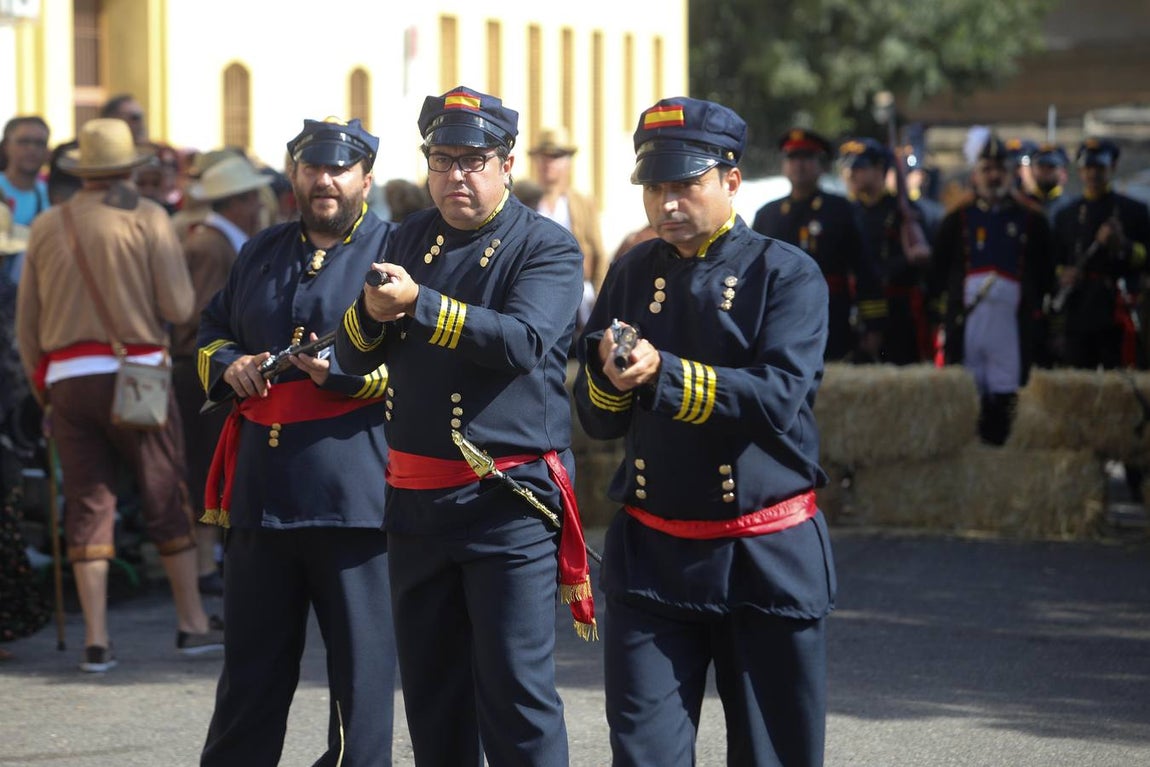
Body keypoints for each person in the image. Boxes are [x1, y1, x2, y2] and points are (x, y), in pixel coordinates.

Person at [574, 97, 836, 766]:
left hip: (762, 556)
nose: (666, 202)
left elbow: (778, 396)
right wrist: (609, 377)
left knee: (773, 754)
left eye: (684, 184)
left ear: (730, 181)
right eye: (655, 186)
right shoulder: (633, 270)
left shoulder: (787, 273)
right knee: (645, 753)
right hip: (655, 555)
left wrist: (661, 376)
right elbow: (599, 415)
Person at [334, 85, 590, 766]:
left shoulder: (547, 247)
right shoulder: (404, 235)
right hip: (417, 501)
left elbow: (524, 341)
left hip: (507, 499)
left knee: (516, 693)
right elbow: (356, 352)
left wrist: (419, 304)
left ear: (507, 164)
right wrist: (367, 314)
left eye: (472, 160)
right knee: (432, 692)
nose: (455, 176)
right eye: (441, 159)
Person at [197, 117, 398, 766]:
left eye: (340, 169)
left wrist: (340, 371)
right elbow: (209, 334)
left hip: (355, 494)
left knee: (360, 683)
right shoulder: (260, 249)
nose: (325, 181)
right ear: (293, 175)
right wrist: (228, 363)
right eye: (312, 168)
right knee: (249, 677)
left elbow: (420, 364)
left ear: (365, 176)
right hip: (262, 491)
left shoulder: (395, 250)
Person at [14, 118, 222, 672]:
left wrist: (45, 391)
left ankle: (97, 641)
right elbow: (179, 308)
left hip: (66, 381)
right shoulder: (149, 218)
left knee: (88, 502)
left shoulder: (46, 225)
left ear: (82, 172)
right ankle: (192, 623)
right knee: (164, 494)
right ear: (129, 168)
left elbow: (26, 327)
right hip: (139, 377)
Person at [170, 155, 271, 596]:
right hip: (201, 369)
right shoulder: (212, 245)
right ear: (240, 202)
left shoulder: (219, 240)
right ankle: (204, 562)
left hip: (208, 366)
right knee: (205, 461)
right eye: (252, 197)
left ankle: (208, 558)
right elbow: (203, 318)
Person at [930, 135, 1054, 445]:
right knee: (969, 391)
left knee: (1008, 393)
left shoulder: (1032, 220)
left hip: (1013, 323)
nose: (993, 175)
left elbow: (1046, 273)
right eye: (987, 168)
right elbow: (937, 273)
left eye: (1000, 168)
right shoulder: (956, 219)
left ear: (1011, 173)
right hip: (968, 321)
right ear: (976, 174)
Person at [753, 128, 876, 361]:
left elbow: (863, 267)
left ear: (821, 165)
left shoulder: (841, 210)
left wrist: (873, 323)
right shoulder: (767, 215)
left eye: (807, 158)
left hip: (830, 314)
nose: (799, 165)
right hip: (778, 316)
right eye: (792, 158)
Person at [1051, 137, 1150, 370]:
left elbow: (1146, 258)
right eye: (1088, 168)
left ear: (1112, 167)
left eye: (1099, 168)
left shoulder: (1133, 211)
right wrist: (1062, 274)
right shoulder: (1066, 215)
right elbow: (1053, 261)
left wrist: (1122, 245)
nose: (1093, 174)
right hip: (1078, 312)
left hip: (1116, 310)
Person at [841, 137, 931, 364]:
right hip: (861, 306)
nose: (852, 173)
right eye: (849, 167)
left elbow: (921, 259)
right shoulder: (850, 211)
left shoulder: (902, 210)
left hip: (898, 309)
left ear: (880, 169)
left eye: (860, 167)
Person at [529, 126, 607, 329]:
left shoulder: (582, 203)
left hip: (579, 296)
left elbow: (599, 253)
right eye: (543, 157)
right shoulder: (525, 202)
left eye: (555, 156)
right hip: (535, 294)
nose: (548, 163)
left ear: (568, 162)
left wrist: (600, 300)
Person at [0, 116, 51, 284]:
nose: (32, 149)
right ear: (6, 146)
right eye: (24, 141)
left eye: (40, 143)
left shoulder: (50, 194)